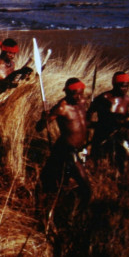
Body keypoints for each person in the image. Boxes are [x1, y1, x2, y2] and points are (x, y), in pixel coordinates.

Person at [36, 78, 92, 206]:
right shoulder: (61, 108)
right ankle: (75, 215)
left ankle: (65, 209)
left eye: (81, 93)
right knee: (86, 188)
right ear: (67, 92)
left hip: (79, 149)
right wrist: (43, 118)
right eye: (75, 94)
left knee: (59, 183)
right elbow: (39, 128)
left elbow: (83, 123)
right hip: (67, 150)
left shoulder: (83, 102)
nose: (78, 97)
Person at [88, 71, 129, 170]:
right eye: (122, 86)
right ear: (114, 85)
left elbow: (124, 119)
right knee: (98, 163)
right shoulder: (104, 98)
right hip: (102, 135)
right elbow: (89, 114)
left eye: (127, 86)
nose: (125, 89)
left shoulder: (127, 99)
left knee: (126, 160)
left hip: (119, 135)